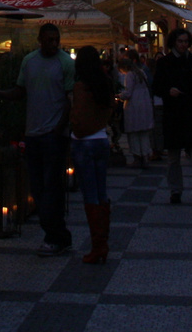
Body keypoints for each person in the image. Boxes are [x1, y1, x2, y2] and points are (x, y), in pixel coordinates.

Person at [0, 23, 75, 255]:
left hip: (53, 135)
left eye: (56, 39)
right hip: (33, 133)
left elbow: (70, 99)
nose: (53, 44)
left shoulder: (66, 63)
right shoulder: (29, 61)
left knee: (52, 187)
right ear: (40, 39)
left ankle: (53, 236)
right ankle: (59, 235)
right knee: (38, 188)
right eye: (49, 39)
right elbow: (21, 90)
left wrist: (59, 128)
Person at [151, 29, 192, 206]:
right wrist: (168, 91)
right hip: (174, 113)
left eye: (186, 41)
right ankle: (175, 190)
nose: (184, 44)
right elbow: (156, 87)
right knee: (173, 155)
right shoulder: (165, 62)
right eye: (180, 41)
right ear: (173, 43)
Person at [69, 46, 113, 264]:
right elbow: (108, 110)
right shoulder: (104, 84)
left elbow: (77, 116)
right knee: (101, 193)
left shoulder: (81, 86)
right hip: (101, 140)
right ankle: (102, 242)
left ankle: (98, 245)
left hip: (83, 143)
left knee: (90, 195)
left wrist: (75, 128)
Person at [116, 52, 154, 168]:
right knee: (144, 134)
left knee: (134, 134)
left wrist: (118, 96)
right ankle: (146, 157)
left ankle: (137, 158)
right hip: (145, 104)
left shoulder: (130, 75)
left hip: (134, 106)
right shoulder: (141, 73)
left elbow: (128, 92)